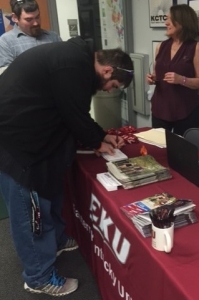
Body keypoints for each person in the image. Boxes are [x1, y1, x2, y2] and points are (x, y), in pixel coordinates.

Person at [0, 36, 134, 296]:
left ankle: (57, 240)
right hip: (19, 146)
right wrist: (97, 141)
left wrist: (101, 136)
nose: (108, 91)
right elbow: (74, 116)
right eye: (112, 85)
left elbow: (76, 113)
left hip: (33, 137)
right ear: (106, 70)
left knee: (49, 194)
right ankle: (38, 277)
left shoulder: (77, 61)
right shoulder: (73, 66)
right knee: (30, 212)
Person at [146, 4, 199, 136]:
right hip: (160, 109)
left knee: (182, 152)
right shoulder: (160, 46)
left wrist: (181, 80)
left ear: (182, 22)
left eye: (170, 19)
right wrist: (152, 78)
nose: (166, 23)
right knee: (158, 149)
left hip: (186, 111)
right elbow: (158, 74)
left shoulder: (196, 47)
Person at [0, 0, 61, 74]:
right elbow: (6, 75)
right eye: (29, 19)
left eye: (37, 17)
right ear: (15, 18)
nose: (35, 23)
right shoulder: (5, 41)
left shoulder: (53, 37)